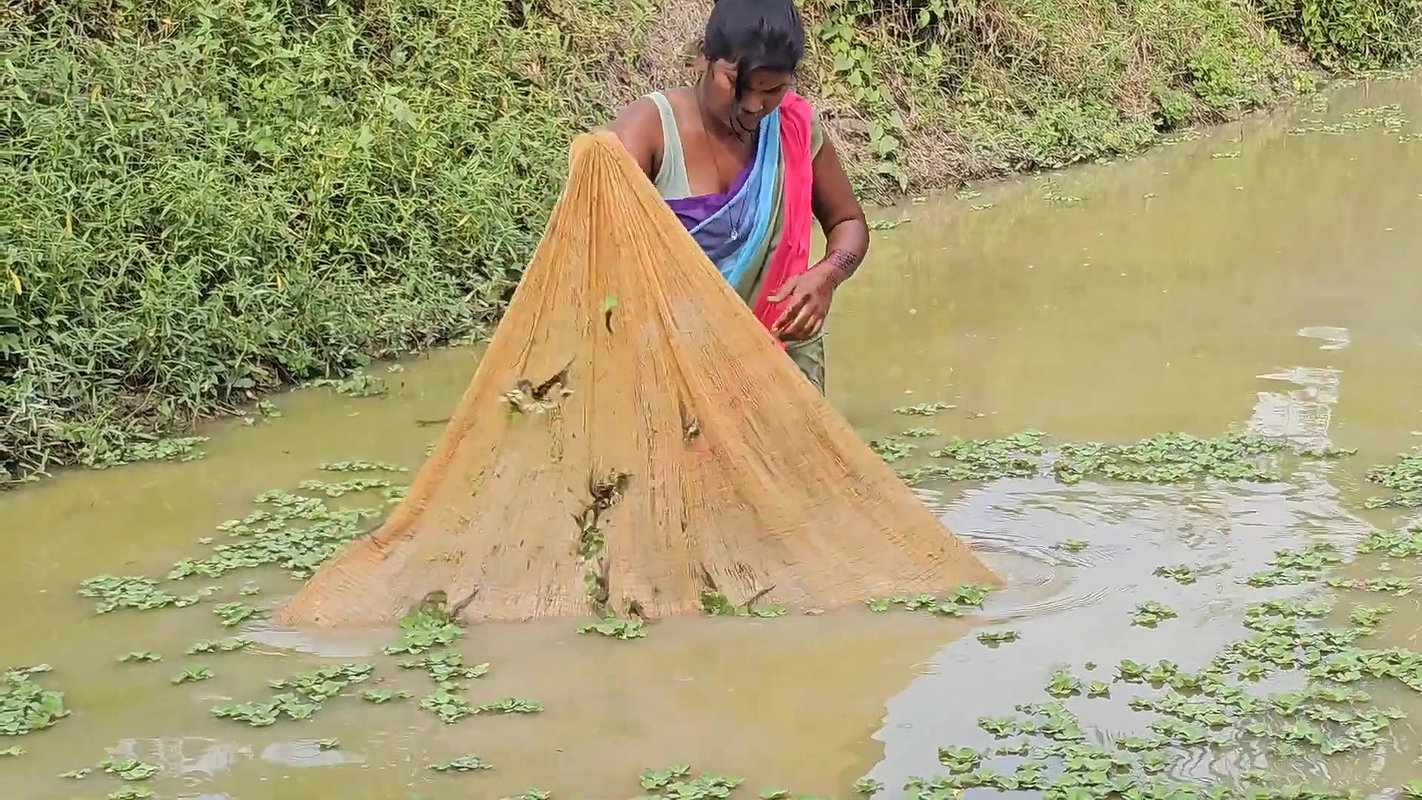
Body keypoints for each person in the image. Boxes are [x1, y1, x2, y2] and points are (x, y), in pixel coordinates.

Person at [606, 0, 870, 394]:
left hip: (781, 360)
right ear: (703, 59)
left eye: (773, 90)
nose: (753, 106)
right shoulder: (648, 131)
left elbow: (848, 222)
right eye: (735, 83)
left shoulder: (793, 129)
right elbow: (603, 256)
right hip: (676, 369)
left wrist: (827, 276)